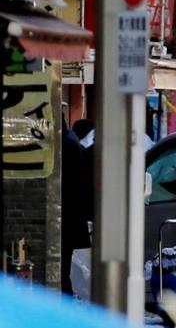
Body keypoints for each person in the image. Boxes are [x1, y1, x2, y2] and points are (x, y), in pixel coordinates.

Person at [61, 118, 92, 295]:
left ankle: (65, 298)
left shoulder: (66, 145)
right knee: (65, 266)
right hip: (72, 216)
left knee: (64, 266)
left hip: (67, 215)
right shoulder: (72, 143)